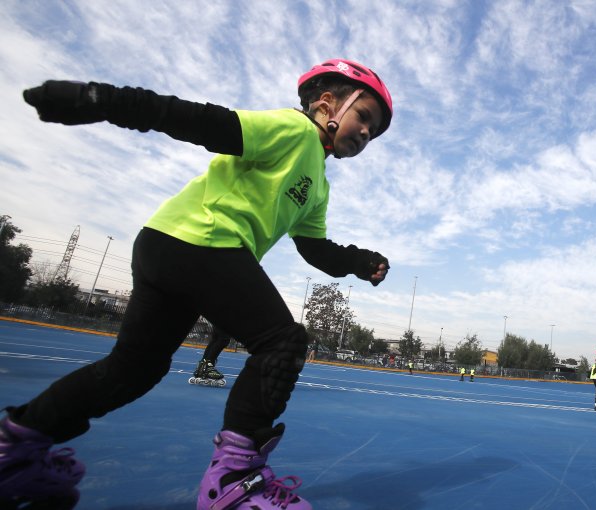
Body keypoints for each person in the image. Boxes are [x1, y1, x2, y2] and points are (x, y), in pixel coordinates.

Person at [1, 58, 393, 509]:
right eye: (364, 116)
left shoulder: (318, 184)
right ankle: (234, 482)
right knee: (281, 343)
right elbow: (199, 120)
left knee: (133, 371)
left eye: (374, 131)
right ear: (327, 102)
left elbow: (315, 249)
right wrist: (98, 99)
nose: (366, 132)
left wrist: (360, 262)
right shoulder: (294, 130)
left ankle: (16, 451)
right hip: (202, 239)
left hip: (167, 244)